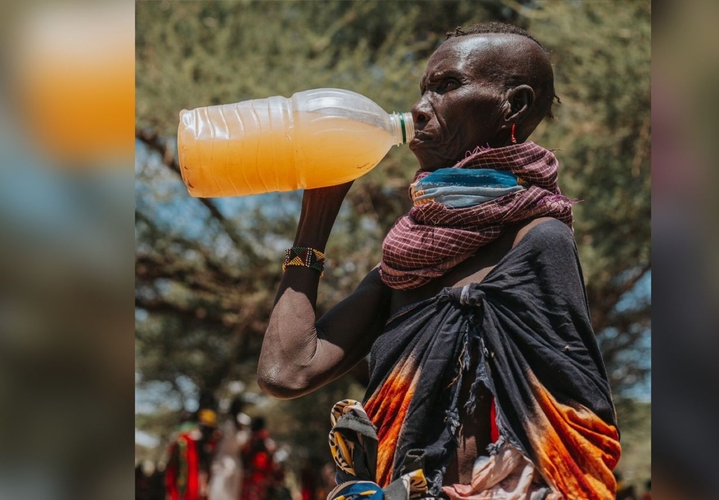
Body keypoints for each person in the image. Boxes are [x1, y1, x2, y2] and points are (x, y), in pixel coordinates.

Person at [258, 21, 621, 499]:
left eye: (447, 86)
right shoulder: (406, 263)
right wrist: (317, 217)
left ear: (513, 105)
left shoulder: (539, 240)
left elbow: (574, 417)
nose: (418, 108)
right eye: (423, 90)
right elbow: (286, 371)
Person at [209, 398, 252, 500]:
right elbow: (244, 444)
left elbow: (215, 439)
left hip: (222, 460)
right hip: (235, 462)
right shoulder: (242, 424)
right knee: (232, 492)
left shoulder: (226, 424)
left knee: (218, 490)